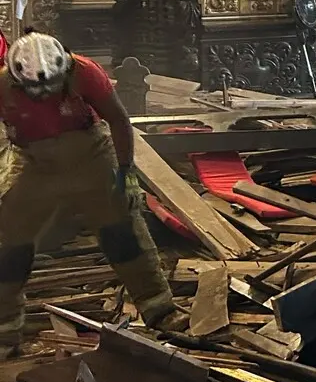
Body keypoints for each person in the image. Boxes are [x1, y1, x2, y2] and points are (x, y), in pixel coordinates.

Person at [0, 31, 181, 355]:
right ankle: (5, 329)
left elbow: (119, 120)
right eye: (33, 90)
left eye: (49, 88)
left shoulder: (85, 72)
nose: (42, 96)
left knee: (120, 231)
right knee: (10, 243)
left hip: (92, 156)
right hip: (37, 163)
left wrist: (125, 173)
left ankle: (160, 310)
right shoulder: (3, 86)